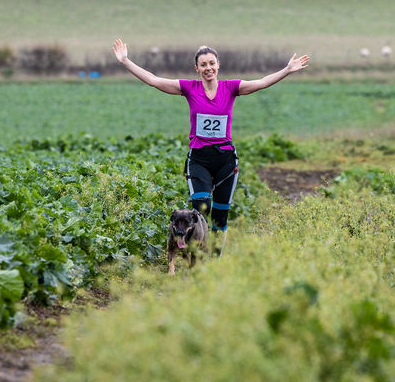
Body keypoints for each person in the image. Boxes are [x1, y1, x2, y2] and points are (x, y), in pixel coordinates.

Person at [111, 39, 310, 245]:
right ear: (197, 68)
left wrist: (287, 70)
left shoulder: (231, 88)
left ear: (218, 65)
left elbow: (262, 82)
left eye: (212, 63)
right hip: (199, 160)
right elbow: (154, 80)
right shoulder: (189, 88)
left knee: (220, 218)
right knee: (200, 210)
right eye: (203, 64)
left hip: (225, 161)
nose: (208, 68)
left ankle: (215, 258)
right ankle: (196, 254)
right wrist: (125, 61)